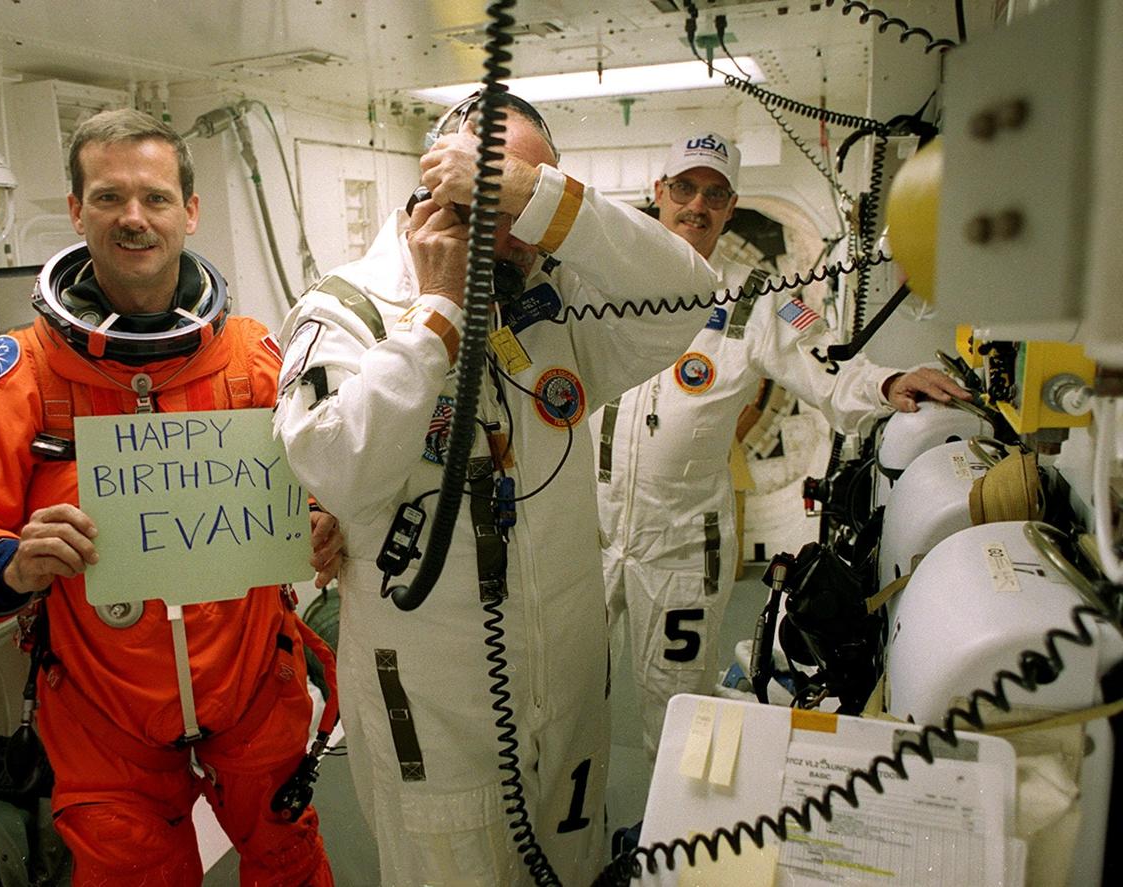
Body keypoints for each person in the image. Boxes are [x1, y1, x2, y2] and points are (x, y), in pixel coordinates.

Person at [273, 93, 725, 885]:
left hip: (568, 697)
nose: (515, 235)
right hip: (441, 717)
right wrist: (436, 317)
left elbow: (688, 297)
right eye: (493, 202)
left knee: (572, 863)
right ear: (434, 189)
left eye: (525, 203)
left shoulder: (552, 300)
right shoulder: (348, 308)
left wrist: (537, 196)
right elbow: (336, 464)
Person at [0, 108, 336, 887]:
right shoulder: (19, 374)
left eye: (155, 197)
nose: (133, 217)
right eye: (108, 197)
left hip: (251, 686)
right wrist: (12, 564)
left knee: (289, 862)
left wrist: (329, 522)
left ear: (189, 211)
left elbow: (327, 476)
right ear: (76, 210)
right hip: (103, 713)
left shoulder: (252, 357)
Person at [596, 133, 971, 758]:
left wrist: (886, 382)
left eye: (714, 194)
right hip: (593, 530)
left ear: (730, 207)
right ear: (659, 192)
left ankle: (679, 814)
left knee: (677, 703)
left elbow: (825, 366)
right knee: (572, 687)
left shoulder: (757, 299)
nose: (697, 205)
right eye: (684, 188)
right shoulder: (608, 278)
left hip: (683, 543)